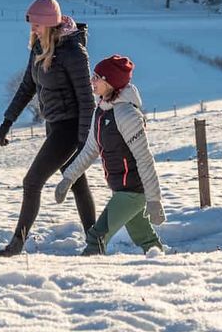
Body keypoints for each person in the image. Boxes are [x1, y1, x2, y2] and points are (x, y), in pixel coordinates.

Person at [0, 0, 97, 256]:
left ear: (49, 23)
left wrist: (84, 142)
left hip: (70, 129)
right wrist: (7, 121)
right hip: (54, 125)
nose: (32, 28)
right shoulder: (39, 48)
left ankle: (15, 245)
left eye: (36, 24)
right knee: (77, 182)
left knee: (32, 182)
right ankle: (96, 244)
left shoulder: (73, 53)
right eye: (31, 24)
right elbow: (27, 86)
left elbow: (86, 100)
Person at [54, 54, 165, 256]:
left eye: (97, 77)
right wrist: (68, 178)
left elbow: (144, 159)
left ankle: (85, 276)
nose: (92, 81)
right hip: (121, 189)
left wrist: (154, 199)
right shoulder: (101, 112)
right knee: (145, 238)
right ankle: (163, 265)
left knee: (97, 236)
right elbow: (89, 151)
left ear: (110, 82)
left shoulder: (127, 115)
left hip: (134, 191)